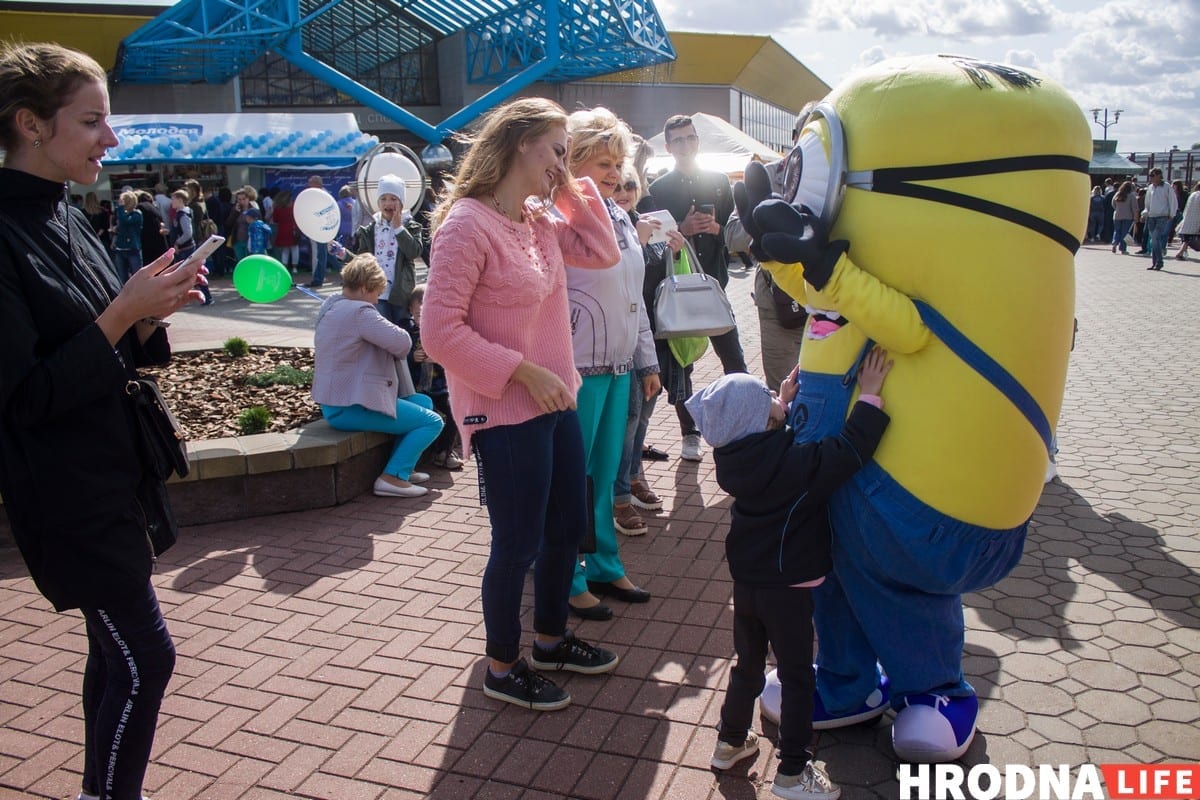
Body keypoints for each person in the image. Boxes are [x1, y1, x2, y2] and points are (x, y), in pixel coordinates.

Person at [0, 40, 209, 800]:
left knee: (116, 652)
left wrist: (152, 313)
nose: (111, 140)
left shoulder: (63, 210)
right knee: (145, 658)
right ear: (29, 124)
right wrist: (124, 311)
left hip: (113, 475)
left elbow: (114, 347)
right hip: (66, 492)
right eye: (92, 122)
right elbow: (24, 398)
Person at [422, 97, 622, 711]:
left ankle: (552, 638)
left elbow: (603, 250)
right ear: (517, 144)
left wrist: (569, 188)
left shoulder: (538, 216)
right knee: (517, 543)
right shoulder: (466, 225)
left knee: (566, 528)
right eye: (556, 150)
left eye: (567, 152)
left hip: (555, 398)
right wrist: (521, 371)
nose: (564, 163)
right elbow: (438, 333)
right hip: (504, 410)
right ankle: (503, 666)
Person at [686, 349, 891, 800]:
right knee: (798, 677)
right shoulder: (797, 466)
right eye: (768, 400)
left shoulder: (735, 461)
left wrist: (776, 402)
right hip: (789, 590)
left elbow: (764, 435)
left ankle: (729, 742)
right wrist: (871, 397)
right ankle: (793, 773)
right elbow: (848, 450)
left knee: (748, 668)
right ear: (765, 422)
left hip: (748, 586)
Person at [560, 107, 660, 620]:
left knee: (604, 472)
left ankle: (603, 561)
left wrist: (646, 361)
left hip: (618, 365)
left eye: (618, 162)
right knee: (574, 478)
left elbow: (635, 298)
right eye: (603, 161)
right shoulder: (556, 213)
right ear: (572, 158)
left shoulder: (620, 214)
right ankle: (568, 574)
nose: (616, 173)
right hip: (576, 369)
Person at [647, 113, 748, 462]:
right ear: (668, 147)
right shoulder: (658, 189)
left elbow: (733, 234)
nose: (685, 145)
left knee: (733, 356)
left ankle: (747, 423)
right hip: (678, 289)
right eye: (678, 140)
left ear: (697, 141)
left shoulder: (720, 181)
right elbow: (655, 243)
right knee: (682, 364)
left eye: (690, 138)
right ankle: (689, 433)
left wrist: (717, 230)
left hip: (714, 283)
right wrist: (685, 229)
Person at [311, 253, 444, 498]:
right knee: (431, 421)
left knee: (422, 403)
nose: (376, 301)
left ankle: (403, 467)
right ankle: (392, 478)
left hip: (337, 402)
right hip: (350, 406)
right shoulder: (361, 313)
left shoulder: (331, 305)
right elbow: (402, 342)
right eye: (376, 293)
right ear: (363, 288)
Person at [610, 167, 683, 537]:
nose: (623, 192)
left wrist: (678, 250)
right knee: (628, 416)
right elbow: (619, 277)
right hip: (623, 337)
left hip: (658, 333)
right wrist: (637, 243)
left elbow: (661, 276)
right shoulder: (613, 227)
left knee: (643, 414)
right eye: (617, 185)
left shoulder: (647, 222)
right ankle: (619, 492)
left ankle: (633, 476)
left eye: (630, 186)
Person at [726, 104, 814, 392]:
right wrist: (765, 225)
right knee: (784, 388)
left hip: (834, 296)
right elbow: (733, 237)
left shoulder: (842, 177)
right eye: (810, 131)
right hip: (779, 303)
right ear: (794, 135)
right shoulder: (763, 177)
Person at [329, 174, 422, 326]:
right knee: (381, 332)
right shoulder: (371, 229)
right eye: (384, 198)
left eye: (393, 199)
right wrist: (342, 253)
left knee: (402, 331)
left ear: (401, 202)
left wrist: (398, 228)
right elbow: (362, 261)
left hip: (400, 293)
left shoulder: (410, 226)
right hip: (376, 292)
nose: (388, 203)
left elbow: (414, 252)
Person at [404, 283, 462, 469]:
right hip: (417, 388)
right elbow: (398, 357)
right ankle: (422, 454)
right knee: (430, 415)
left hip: (439, 386)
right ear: (410, 311)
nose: (422, 318)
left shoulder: (440, 332)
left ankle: (444, 452)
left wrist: (437, 357)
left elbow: (453, 357)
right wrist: (412, 357)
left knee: (454, 411)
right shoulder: (407, 334)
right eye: (418, 314)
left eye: (426, 313)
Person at [1142, 168, 1179, 270]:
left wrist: (1172, 213)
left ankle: (1159, 262)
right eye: (1150, 175)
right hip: (1151, 217)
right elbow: (1147, 203)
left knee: (1155, 238)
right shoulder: (1150, 188)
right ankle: (1155, 263)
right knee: (1153, 241)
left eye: (1152, 175)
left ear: (1159, 176)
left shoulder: (1166, 187)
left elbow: (1172, 201)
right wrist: (1145, 213)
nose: (1151, 177)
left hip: (1162, 216)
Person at [111, 190, 143, 283]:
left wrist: (120, 208)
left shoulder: (137, 214)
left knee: (137, 277)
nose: (119, 203)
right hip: (120, 248)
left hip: (132, 249)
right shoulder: (121, 213)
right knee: (121, 277)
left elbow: (126, 221)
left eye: (122, 201)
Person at [306, 174, 332, 287]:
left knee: (321, 254)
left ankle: (318, 279)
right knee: (327, 253)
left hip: (321, 228)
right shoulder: (322, 194)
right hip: (321, 228)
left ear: (316, 184)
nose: (308, 185)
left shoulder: (320, 195)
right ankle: (344, 272)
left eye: (310, 183)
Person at [272, 189, 300, 272]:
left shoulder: (277, 208)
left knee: (285, 249)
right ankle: (295, 268)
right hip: (293, 229)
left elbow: (275, 220)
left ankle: (285, 267)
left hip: (282, 229)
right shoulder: (294, 206)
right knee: (295, 248)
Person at [1172, 180, 1200, 261]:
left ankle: (1180, 253)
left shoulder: (1193, 194)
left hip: (1188, 220)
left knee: (1187, 240)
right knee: (1188, 239)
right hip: (1196, 221)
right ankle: (1180, 253)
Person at [1110, 180, 1137, 254]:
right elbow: (1134, 207)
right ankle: (1123, 249)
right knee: (1124, 233)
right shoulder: (1131, 195)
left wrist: (1117, 209)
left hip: (1117, 216)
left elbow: (1113, 203)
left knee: (1117, 231)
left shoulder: (1118, 194)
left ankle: (1114, 243)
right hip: (1127, 216)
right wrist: (1135, 216)